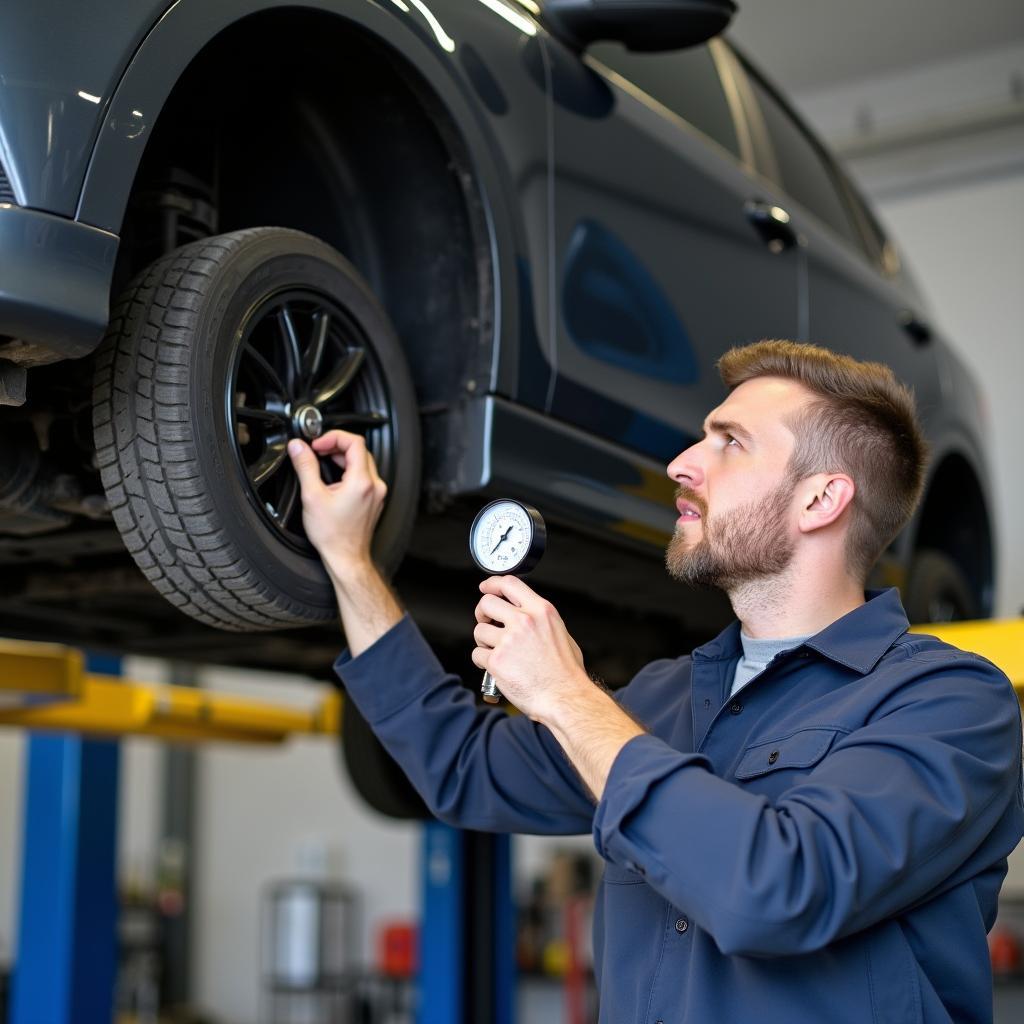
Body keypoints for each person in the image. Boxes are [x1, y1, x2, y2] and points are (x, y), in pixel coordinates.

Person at [286, 340, 1023, 1024]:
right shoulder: (665, 698)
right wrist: (350, 561)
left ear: (820, 500)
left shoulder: (951, 704)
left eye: (729, 442)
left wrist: (568, 697)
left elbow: (780, 889)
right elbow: (461, 767)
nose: (681, 463)